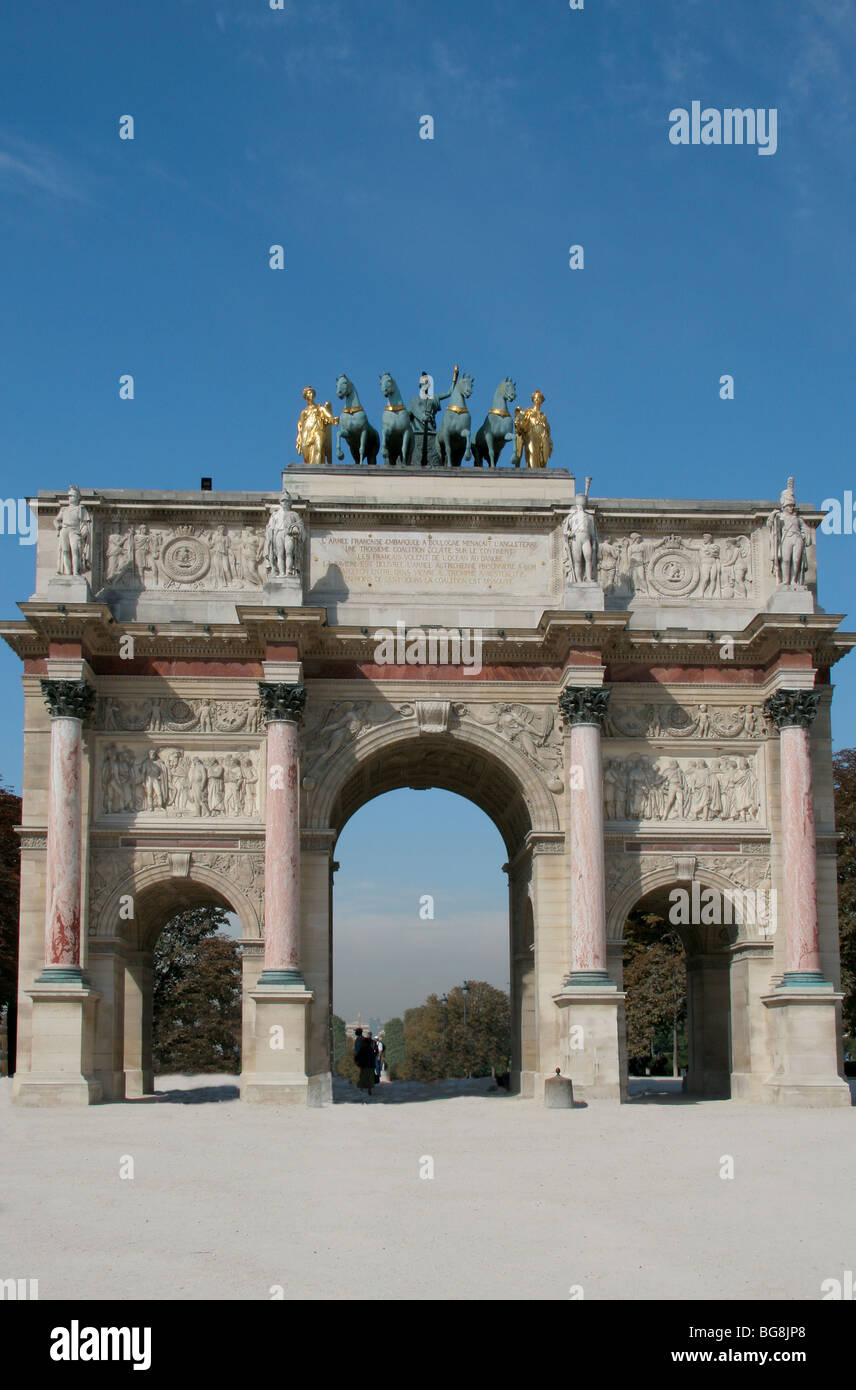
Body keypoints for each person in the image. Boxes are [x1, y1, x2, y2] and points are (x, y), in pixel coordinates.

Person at [353, 1027, 375, 1101]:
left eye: (355, 1031)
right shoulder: (365, 1040)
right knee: (369, 1075)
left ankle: (361, 1088)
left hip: (362, 1061)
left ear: (358, 1032)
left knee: (362, 1074)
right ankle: (369, 1088)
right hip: (369, 1062)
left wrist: (356, 1059)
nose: (355, 1032)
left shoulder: (358, 1040)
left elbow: (358, 1051)